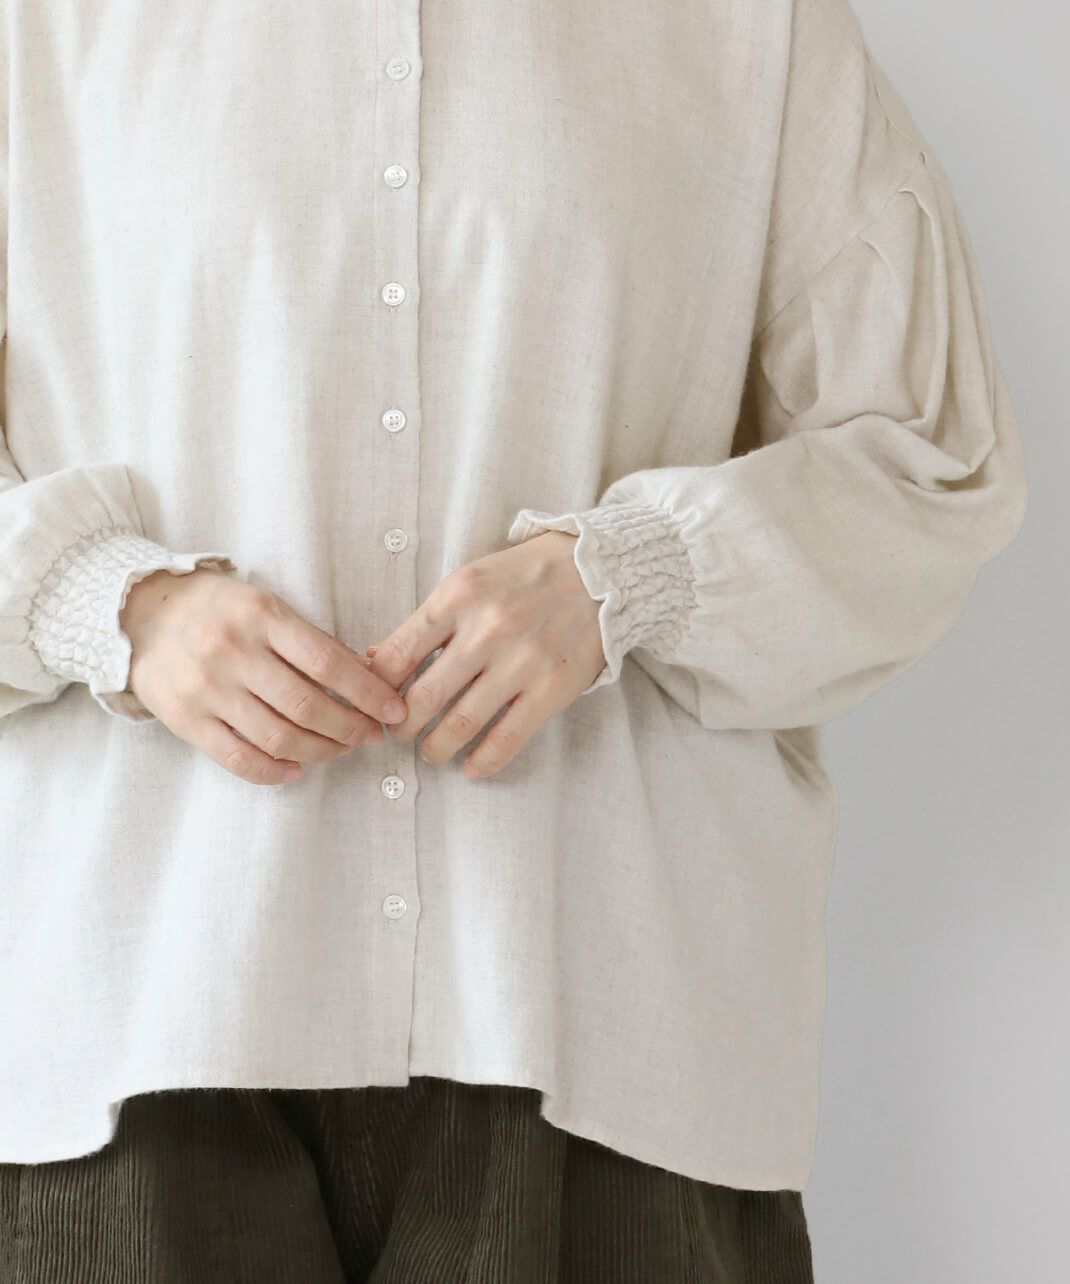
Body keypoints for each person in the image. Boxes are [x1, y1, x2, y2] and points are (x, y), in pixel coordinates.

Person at [0, 0, 1027, 1280]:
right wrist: (106, 604)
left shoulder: (750, 29)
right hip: (147, 1004)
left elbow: (926, 467)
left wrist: (630, 574)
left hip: (592, 1008)